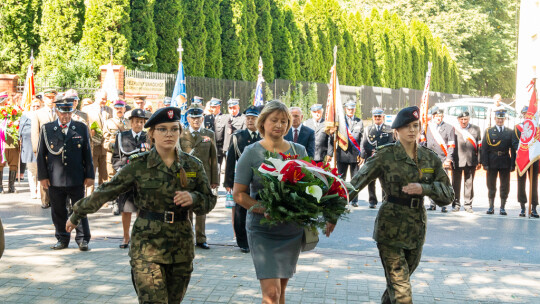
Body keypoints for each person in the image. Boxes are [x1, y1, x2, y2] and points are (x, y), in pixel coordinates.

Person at [66, 106, 217, 303]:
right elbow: (107, 190)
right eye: (162, 129)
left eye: (174, 129)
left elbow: (209, 200)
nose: (169, 134)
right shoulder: (139, 165)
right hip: (147, 248)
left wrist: (194, 198)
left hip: (181, 248)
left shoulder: (192, 165)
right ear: (152, 133)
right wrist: (77, 213)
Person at [233, 100, 337, 304]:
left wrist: (328, 211)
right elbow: (239, 194)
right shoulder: (251, 152)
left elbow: (311, 187)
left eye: (284, 121)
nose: (279, 125)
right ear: (263, 123)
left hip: (291, 230)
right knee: (271, 294)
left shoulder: (299, 151)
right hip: (262, 229)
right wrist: (263, 208)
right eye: (274, 120)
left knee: (280, 292)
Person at [350, 106, 454, 304]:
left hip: (416, 230)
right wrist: (329, 209)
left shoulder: (429, 157)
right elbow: (355, 184)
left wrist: (424, 189)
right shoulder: (385, 155)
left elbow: (448, 195)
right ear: (396, 130)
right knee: (402, 292)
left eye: (415, 126)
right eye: (406, 126)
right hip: (390, 230)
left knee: (395, 289)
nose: (412, 130)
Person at [37, 94, 94, 250]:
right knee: (58, 210)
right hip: (54, 178)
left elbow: (87, 153)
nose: (66, 116)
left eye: (69, 113)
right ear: (57, 111)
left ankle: (83, 239)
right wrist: (42, 176)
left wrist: (90, 175)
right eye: (63, 113)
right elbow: (41, 154)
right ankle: (62, 238)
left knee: (79, 209)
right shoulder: (47, 129)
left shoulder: (81, 128)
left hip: (76, 177)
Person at [179, 106, 219, 250]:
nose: (196, 120)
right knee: (186, 207)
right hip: (187, 177)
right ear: (188, 119)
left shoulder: (209, 134)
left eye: (198, 118)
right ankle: (188, 237)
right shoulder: (181, 135)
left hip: (204, 176)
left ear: (202, 118)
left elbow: (214, 158)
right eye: (193, 118)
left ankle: (201, 238)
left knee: (201, 208)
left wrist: (215, 179)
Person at [224, 105, 262, 253]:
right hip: (242, 180)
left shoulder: (263, 137)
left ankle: (256, 240)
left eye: (253, 118)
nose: (250, 121)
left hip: (259, 181)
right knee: (241, 211)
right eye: (248, 118)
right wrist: (228, 182)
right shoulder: (237, 137)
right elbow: (231, 160)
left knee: (257, 208)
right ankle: (243, 242)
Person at [111, 108, 149, 247]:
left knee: (141, 209)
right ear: (131, 122)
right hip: (127, 178)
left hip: (143, 180)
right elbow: (116, 157)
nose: (138, 124)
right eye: (136, 121)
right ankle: (126, 237)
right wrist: (120, 170)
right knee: (126, 209)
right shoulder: (122, 136)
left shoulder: (149, 137)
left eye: (141, 121)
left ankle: (138, 237)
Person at [328, 100, 363, 207]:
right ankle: (342, 198)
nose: (350, 111)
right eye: (348, 109)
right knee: (341, 179)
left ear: (355, 109)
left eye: (352, 109)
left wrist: (362, 155)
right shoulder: (339, 121)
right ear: (345, 109)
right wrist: (332, 133)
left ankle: (354, 200)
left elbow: (362, 140)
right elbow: (332, 139)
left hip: (354, 155)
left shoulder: (359, 121)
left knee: (355, 179)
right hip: (342, 154)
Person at [481, 109, 515, 215]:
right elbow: (484, 149)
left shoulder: (509, 132)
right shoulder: (489, 131)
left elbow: (513, 150)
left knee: (505, 185)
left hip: (505, 160)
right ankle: (491, 206)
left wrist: (513, 164)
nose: (500, 120)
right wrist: (485, 163)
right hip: (492, 161)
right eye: (498, 118)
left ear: (504, 119)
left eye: (502, 118)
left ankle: (502, 207)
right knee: (491, 185)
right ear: (495, 119)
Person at [360, 108, 395, 209]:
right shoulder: (368, 129)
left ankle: (385, 200)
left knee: (384, 181)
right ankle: (372, 200)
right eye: (375, 116)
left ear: (383, 117)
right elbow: (365, 144)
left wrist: (379, 150)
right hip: (371, 158)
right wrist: (367, 153)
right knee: (371, 181)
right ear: (373, 117)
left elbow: (391, 142)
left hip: (384, 159)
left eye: (379, 116)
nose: (377, 118)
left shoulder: (388, 128)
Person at [424, 107, 455, 212]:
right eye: (436, 116)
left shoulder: (449, 128)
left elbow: (451, 145)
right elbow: (424, 142)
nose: (438, 118)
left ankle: (443, 204)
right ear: (433, 117)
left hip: (442, 159)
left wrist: (449, 159)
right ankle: (432, 204)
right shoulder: (428, 127)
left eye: (440, 116)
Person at [31, 89, 58, 208]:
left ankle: (55, 199)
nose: (51, 100)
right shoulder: (38, 113)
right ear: (44, 99)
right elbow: (35, 132)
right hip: (44, 148)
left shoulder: (59, 112)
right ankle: (45, 200)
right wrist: (37, 149)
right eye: (48, 97)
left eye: (52, 97)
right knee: (44, 173)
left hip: (58, 148)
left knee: (56, 173)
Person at [452, 111, 482, 213]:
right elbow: (451, 146)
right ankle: (456, 204)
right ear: (458, 120)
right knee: (456, 183)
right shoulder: (453, 130)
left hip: (471, 160)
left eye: (465, 119)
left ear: (469, 119)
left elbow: (479, 146)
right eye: (461, 119)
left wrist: (479, 160)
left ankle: (468, 205)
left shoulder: (476, 129)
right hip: (457, 160)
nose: (463, 121)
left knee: (469, 183)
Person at [512, 106, 539, 218]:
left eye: (528, 114)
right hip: (522, 158)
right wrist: (522, 151)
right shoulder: (517, 128)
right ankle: (523, 206)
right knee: (521, 183)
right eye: (524, 114)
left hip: (533, 159)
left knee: (534, 183)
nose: (526, 116)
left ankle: (533, 207)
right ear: (522, 115)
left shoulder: (537, 128)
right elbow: (514, 142)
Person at [19, 99, 41, 199]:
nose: (35, 108)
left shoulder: (42, 115)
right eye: (34, 106)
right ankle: (33, 190)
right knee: (32, 170)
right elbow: (21, 130)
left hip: (41, 146)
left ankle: (41, 191)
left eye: (38, 106)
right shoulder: (25, 116)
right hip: (28, 146)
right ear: (30, 106)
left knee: (41, 170)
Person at [0, 92, 21, 193]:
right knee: (0, 164)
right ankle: (0, 186)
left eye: (5, 100)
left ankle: (11, 186)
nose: (4, 103)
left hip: (13, 142)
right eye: (2, 101)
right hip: (1, 143)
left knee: (13, 163)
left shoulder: (15, 112)